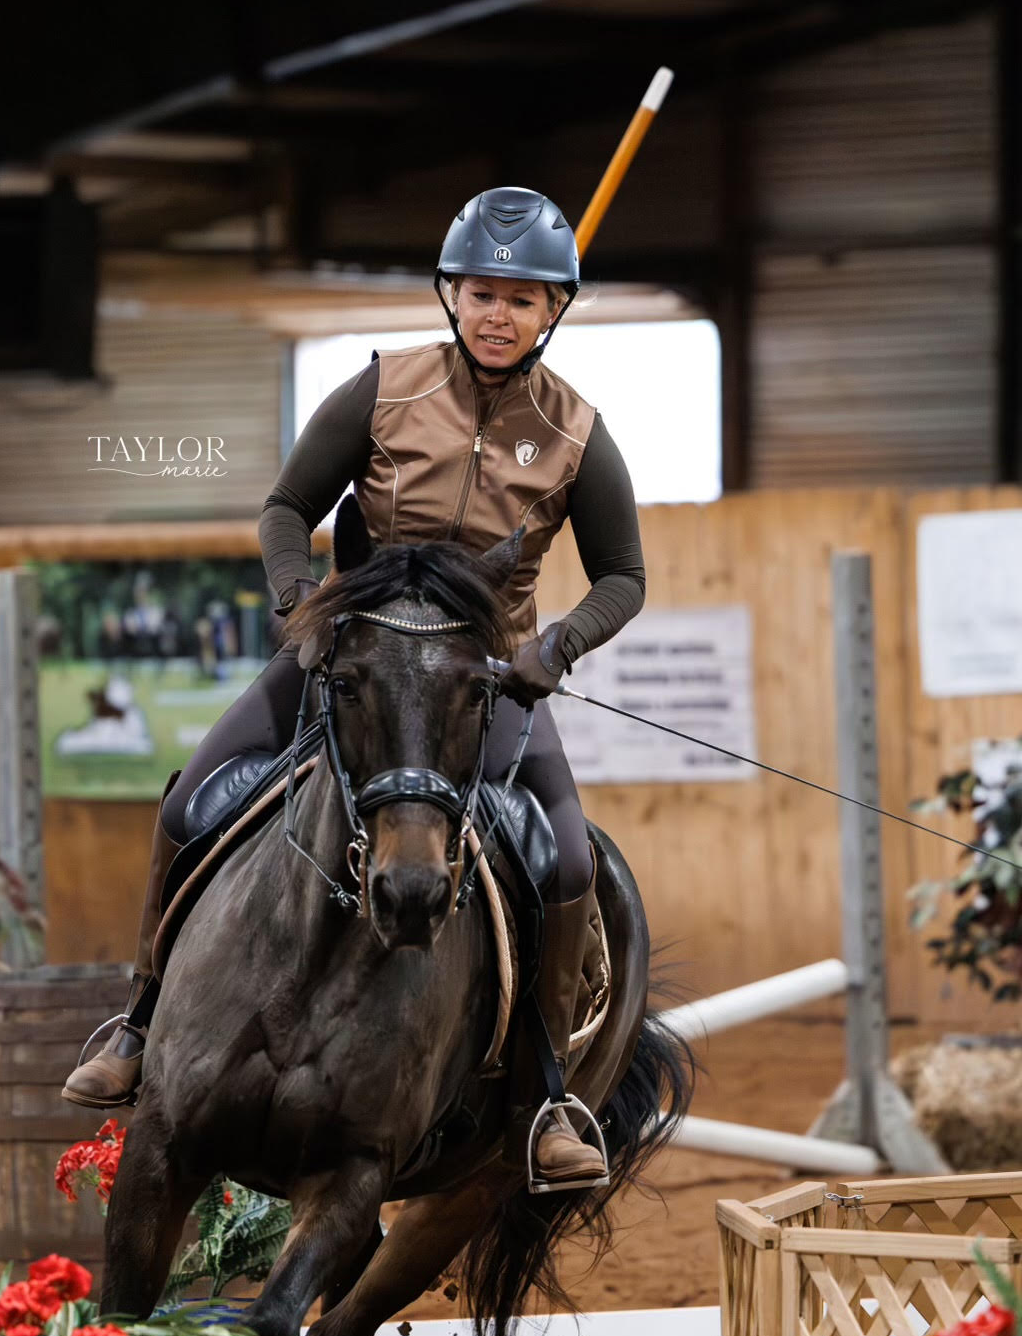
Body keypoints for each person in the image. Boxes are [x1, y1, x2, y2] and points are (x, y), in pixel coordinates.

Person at [61, 185, 646, 1185]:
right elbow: (286, 507)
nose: (497, 314)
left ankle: (547, 1095)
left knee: (565, 866)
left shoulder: (577, 434)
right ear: (448, 295)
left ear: (555, 310)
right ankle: (141, 1017)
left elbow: (623, 576)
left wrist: (554, 649)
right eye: (480, 293)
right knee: (191, 796)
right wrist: (298, 598)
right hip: (349, 659)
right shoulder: (379, 390)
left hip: (482, 678)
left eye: (522, 298)